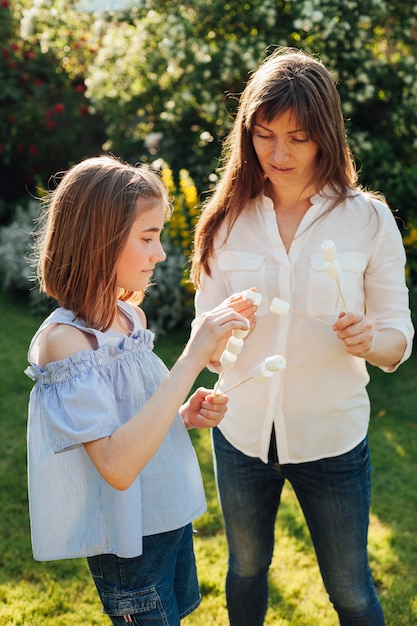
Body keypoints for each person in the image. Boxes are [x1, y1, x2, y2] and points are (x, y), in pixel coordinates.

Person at [190, 47, 414, 626]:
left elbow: (397, 341)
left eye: (298, 137)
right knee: (244, 570)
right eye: (265, 135)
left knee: (351, 591)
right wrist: (220, 329)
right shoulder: (226, 220)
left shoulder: (367, 220)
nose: (279, 153)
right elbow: (203, 336)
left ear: (326, 136)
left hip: (332, 441)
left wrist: (370, 338)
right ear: (248, 134)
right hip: (240, 437)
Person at [25, 155, 252, 626]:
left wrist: (181, 417)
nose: (161, 253)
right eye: (147, 238)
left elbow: (133, 421)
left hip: (166, 518)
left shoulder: (131, 318)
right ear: (98, 240)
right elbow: (116, 466)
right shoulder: (66, 343)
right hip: (129, 546)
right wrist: (191, 358)